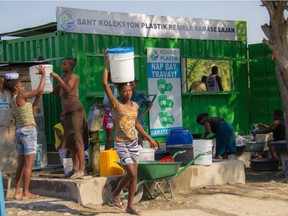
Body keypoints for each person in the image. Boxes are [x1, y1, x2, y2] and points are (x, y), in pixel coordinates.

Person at [103, 49, 158, 215]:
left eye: (130, 91)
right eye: (124, 91)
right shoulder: (116, 104)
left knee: (134, 176)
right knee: (131, 172)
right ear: (119, 92)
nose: (128, 93)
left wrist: (149, 139)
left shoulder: (134, 106)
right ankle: (116, 193)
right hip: (121, 143)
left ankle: (130, 206)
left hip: (134, 142)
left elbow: (136, 125)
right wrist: (107, 61)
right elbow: (105, 84)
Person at [4, 68, 46, 200]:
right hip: (29, 132)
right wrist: (44, 75)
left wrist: (37, 99)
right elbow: (38, 90)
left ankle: (17, 191)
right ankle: (26, 192)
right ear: (17, 86)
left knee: (21, 164)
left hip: (20, 131)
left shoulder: (13, 101)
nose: (22, 85)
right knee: (29, 164)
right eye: (20, 84)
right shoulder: (21, 96)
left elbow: (30, 112)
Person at [51, 57, 89, 179]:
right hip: (67, 112)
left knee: (78, 140)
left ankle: (82, 168)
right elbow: (57, 92)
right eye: (62, 63)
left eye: (64, 64)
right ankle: (75, 168)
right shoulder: (63, 77)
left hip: (76, 111)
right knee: (71, 142)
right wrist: (45, 79)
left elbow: (68, 90)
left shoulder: (73, 77)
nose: (62, 65)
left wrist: (57, 78)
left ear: (70, 66)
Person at [95, 72, 117, 150]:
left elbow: (111, 103)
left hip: (109, 113)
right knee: (110, 136)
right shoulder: (111, 87)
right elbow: (111, 103)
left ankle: (107, 152)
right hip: (108, 114)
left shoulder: (111, 87)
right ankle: (107, 152)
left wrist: (101, 105)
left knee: (110, 136)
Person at [131, 78, 153, 145]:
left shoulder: (140, 95)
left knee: (140, 141)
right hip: (129, 123)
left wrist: (144, 112)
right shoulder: (124, 96)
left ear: (135, 84)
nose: (131, 85)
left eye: (133, 84)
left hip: (139, 122)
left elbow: (150, 104)